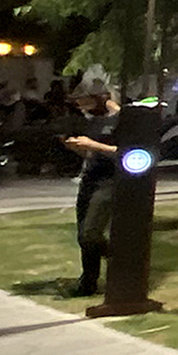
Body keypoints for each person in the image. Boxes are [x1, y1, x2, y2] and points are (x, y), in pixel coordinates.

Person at [59, 118, 122, 298]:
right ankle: (88, 283)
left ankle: (122, 259)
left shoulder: (123, 119)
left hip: (109, 181)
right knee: (83, 236)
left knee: (90, 233)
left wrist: (93, 145)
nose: (81, 107)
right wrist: (80, 148)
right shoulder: (93, 121)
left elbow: (126, 153)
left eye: (83, 103)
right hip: (89, 179)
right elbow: (95, 155)